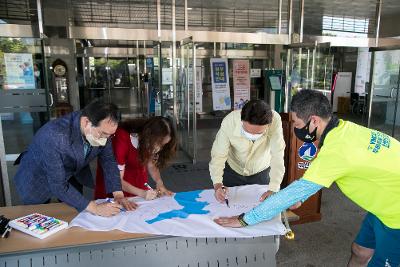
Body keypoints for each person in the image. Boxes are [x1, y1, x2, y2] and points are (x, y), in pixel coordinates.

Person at [214, 90, 400, 267]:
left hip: (396, 215)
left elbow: (293, 192)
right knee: (360, 251)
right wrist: (301, 195)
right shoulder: (345, 130)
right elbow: (319, 178)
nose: (294, 128)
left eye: (295, 123)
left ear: (314, 121)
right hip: (382, 206)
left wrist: (244, 219)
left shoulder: (338, 151)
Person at [14, 99, 135, 217]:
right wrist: (95, 208)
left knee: (74, 215)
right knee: (38, 218)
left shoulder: (102, 129)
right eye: (103, 134)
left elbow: (108, 161)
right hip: (38, 177)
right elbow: (58, 185)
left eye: (110, 135)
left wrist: (118, 195)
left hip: (71, 171)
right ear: (87, 122)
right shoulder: (54, 136)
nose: (106, 139)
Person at [209, 100, 285, 204]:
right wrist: (218, 185)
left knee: (261, 207)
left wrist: (273, 188)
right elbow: (218, 155)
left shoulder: (275, 120)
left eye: (258, 133)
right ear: (242, 119)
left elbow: (278, 155)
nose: (253, 136)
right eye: (248, 132)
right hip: (233, 170)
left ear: (268, 125)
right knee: (228, 204)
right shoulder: (230, 121)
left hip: (261, 171)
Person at [95, 116, 177, 202]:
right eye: (159, 143)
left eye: (163, 145)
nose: (159, 148)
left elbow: (151, 164)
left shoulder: (149, 141)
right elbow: (116, 180)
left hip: (138, 185)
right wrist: (142, 193)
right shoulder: (122, 139)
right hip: (116, 189)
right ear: (149, 135)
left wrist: (159, 182)